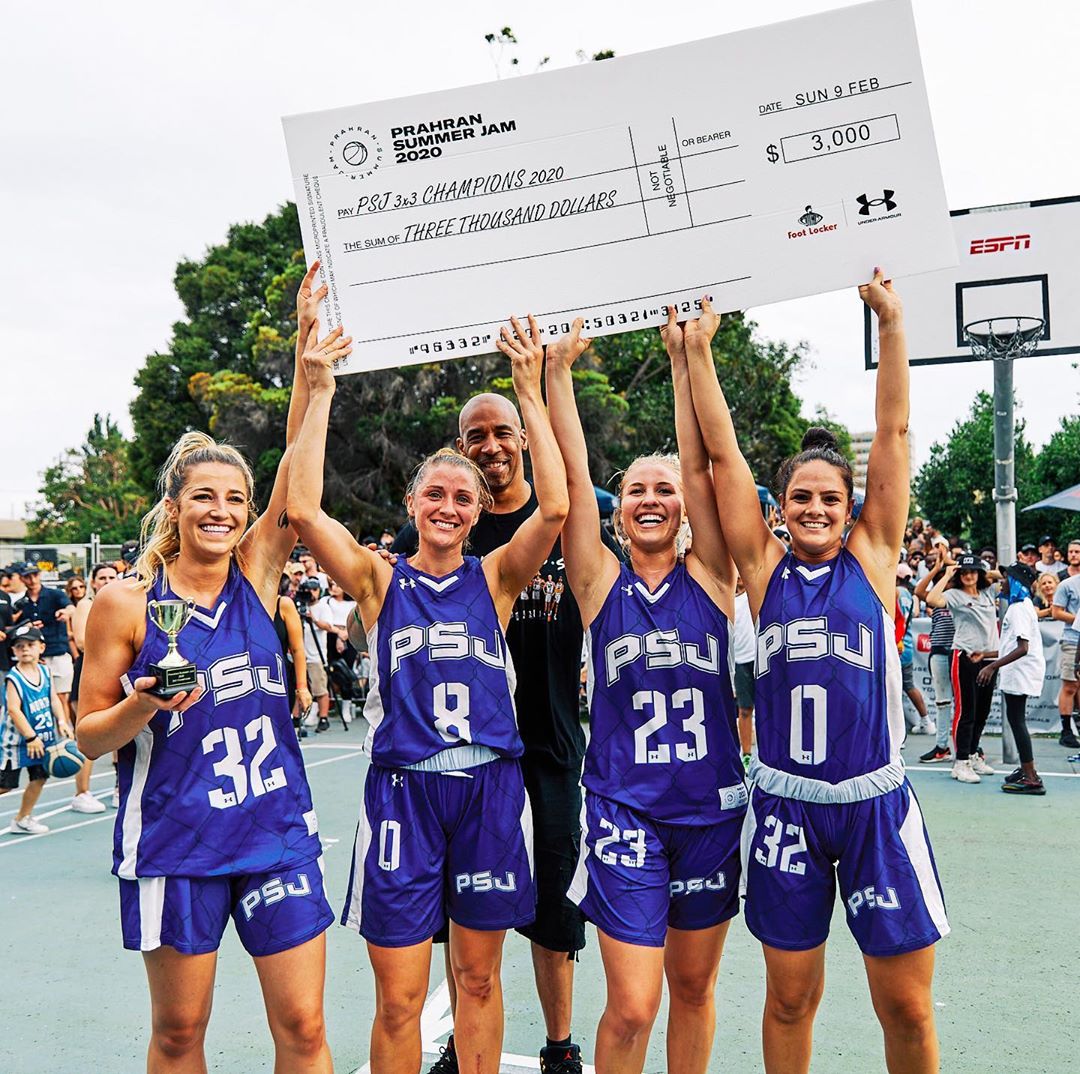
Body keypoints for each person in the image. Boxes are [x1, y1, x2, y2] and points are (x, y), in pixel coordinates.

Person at [288, 312, 569, 1074]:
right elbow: (304, 510)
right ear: (412, 503)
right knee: (400, 998)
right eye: (435, 494)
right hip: (403, 794)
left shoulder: (496, 578)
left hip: (488, 791)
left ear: (478, 512)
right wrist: (320, 388)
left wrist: (530, 386)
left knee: (478, 979)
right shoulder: (379, 582)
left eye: (463, 498)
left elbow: (555, 508)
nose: (448, 506)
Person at [76, 261, 337, 1072]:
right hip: (177, 841)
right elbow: (89, 737)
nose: (221, 511)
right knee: (179, 1033)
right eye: (203, 497)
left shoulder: (258, 576)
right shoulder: (127, 604)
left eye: (234, 499)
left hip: (274, 833)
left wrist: (313, 368)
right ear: (174, 507)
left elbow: (296, 472)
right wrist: (143, 704)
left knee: (304, 1029)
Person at [686, 272, 946, 1074]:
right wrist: (699, 351)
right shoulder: (764, 571)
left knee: (905, 1005)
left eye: (831, 498)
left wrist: (892, 323)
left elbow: (893, 431)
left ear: (851, 505)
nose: (816, 509)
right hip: (788, 805)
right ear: (781, 506)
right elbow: (723, 456)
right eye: (801, 497)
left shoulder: (873, 559)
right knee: (790, 999)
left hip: (873, 804)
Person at [550, 306, 746, 1074]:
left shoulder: (713, 576)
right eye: (636, 490)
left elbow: (703, 469)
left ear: (683, 509)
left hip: (709, 811)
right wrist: (558, 373)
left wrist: (685, 357)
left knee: (693, 989)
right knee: (634, 1004)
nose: (652, 498)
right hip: (624, 808)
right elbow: (573, 479)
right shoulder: (601, 583)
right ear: (620, 510)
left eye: (663, 489)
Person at [391, 391, 606, 1071]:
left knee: (553, 912)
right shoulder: (445, 526)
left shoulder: (560, 523)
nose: (490, 446)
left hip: (549, 742)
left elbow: (565, 503)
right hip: (465, 753)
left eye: (502, 432)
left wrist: (537, 386)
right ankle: (465, 1041)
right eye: (475, 435)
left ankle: (559, 1045)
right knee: (462, 912)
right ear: (460, 447)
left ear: (523, 439)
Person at [924, 553, 1000, 783]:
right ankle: (961, 762)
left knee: (982, 711)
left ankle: (974, 754)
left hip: (988, 658)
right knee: (966, 711)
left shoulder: (988, 592)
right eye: (964, 572)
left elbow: (1002, 575)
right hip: (965, 656)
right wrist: (948, 573)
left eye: (973, 571)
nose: (968, 576)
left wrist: (982, 569)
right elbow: (931, 599)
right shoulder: (954, 594)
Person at [978, 563, 1046, 794]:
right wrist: (986, 655)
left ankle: (1031, 777)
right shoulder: (1021, 606)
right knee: (1016, 720)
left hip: (1020, 671)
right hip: (1018, 670)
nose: (1002, 582)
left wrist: (991, 667)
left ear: (1016, 582)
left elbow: (1022, 648)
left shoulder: (1018, 610)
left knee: (1016, 721)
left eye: (1006, 578)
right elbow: (1010, 645)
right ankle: (1027, 769)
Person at [2, 622, 73, 833]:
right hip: (17, 743)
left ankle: (22, 819)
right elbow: (14, 710)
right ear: (13, 651)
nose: (25, 649)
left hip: (43, 739)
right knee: (5, 785)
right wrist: (30, 737)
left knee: (39, 777)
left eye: (30, 645)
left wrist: (62, 722)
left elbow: (54, 699)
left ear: (41, 647)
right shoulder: (14, 678)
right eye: (19, 646)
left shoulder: (45, 671)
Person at [69, 563, 119, 813]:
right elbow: (81, 641)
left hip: (117, 670)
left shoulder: (122, 602)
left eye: (112, 577)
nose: (107, 581)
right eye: (102, 577)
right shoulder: (86, 605)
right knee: (87, 734)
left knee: (122, 734)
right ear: (93, 582)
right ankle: (82, 792)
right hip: (90, 672)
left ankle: (120, 786)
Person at [12, 563, 75, 743]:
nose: (32, 580)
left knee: (61, 697)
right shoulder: (21, 602)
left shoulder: (55, 594)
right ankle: (47, 736)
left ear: (39, 575)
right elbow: (12, 625)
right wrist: (26, 626)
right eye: (27, 576)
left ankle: (65, 735)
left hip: (57, 652)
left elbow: (70, 607)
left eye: (34, 575)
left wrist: (65, 612)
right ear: (22, 579)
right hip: (34, 657)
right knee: (40, 699)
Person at [913, 558, 955, 765]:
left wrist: (955, 564)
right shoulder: (937, 597)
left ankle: (971, 746)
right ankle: (942, 746)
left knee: (966, 703)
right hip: (939, 652)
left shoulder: (962, 595)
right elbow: (919, 591)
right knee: (943, 701)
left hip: (960, 652)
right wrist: (938, 569)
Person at [895, 563, 932, 735]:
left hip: (896, 645)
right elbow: (915, 613)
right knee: (909, 686)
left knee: (892, 689)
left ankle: (896, 731)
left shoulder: (895, 592)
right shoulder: (910, 596)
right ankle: (926, 720)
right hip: (907, 645)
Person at [274, 573, 311, 723]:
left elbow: (297, 649)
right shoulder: (241, 604)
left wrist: (302, 687)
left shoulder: (283, 604)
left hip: (279, 677)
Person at [1051, 565, 1080, 748]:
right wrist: (1078, 619)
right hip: (1073, 639)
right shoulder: (1067, 584)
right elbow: (1056, 612)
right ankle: (1066, 731)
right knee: (1070, 685)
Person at [733, 576, 756, 769]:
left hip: (759, 658)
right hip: (739, 662)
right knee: (744, 709)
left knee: (769, 708)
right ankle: (746, 755)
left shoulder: (753, 593)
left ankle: (769, 754)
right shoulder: (724, 597)